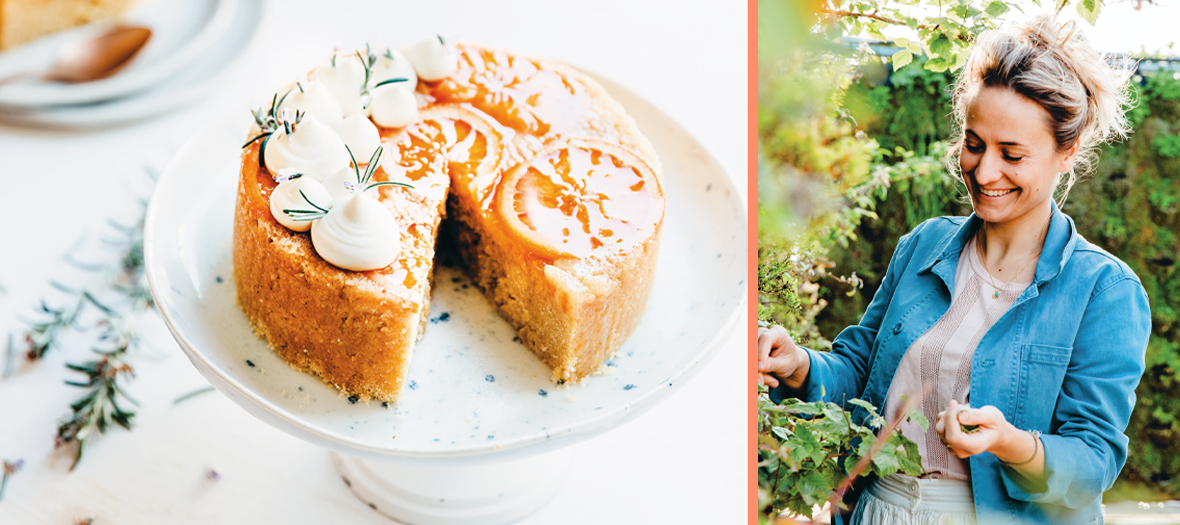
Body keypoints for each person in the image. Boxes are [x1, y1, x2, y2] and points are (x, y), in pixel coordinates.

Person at [758, 13, 1153, 525]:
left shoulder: (1104, 290)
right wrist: (800, 366)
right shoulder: (924, 245)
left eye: (1012, 154)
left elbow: (1093, 463)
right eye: (974, 144)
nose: (985, 172)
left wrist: (1011, 443)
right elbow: (860, 373)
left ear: (1067, 152)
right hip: (878, 510)